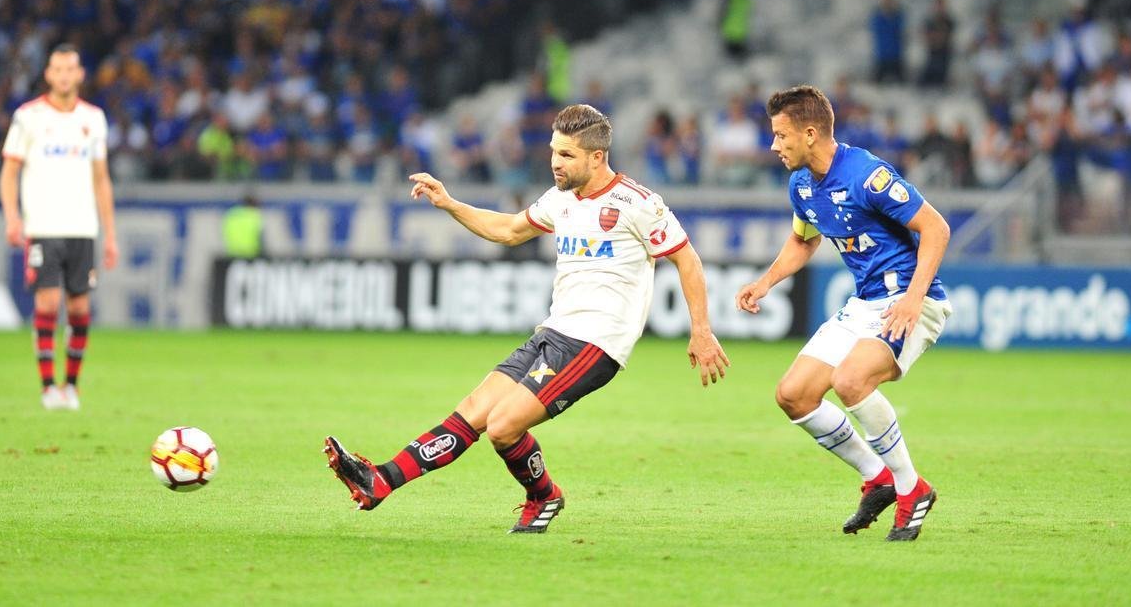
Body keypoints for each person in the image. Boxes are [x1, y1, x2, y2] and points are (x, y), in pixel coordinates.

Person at [324, 104, 730, 533]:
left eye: (567, 155)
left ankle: (544, 496)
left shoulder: (637, 203)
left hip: (596, 343)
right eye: (554, 152)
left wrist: (700, 331)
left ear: (597, 157)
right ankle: (380, 480)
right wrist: (449, 203)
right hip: (554, 331)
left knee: (502, 427)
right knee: (473, 411)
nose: (555, 162)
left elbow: (687, 260)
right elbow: (509, 231)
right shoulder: (561, 200)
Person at [735, 86, 952, 542]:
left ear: (810, 133)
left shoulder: (867, 175)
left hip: (910, 301)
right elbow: (803, 239)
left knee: (850, 381)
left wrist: (913, 299)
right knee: (793, 394)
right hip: (864, 302)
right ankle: (879, 478)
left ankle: (913, 489)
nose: (773, 146)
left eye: (780, 135)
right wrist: (765, 282)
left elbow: (935, 227)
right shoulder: (801, 183)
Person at [0, 44, 119, 410]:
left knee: (80, 309)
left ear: (80, 74)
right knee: (49, 301)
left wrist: (109, 233)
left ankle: (72, 386)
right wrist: (13, 216)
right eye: (57, 69)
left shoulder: (94, 118)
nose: (64, 76)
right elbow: (10, 171)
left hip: (83, 227)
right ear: (48, 74)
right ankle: (48, 386)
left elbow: (101, 179)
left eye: (70, 69)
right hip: (44, 225)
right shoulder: (29, 116)